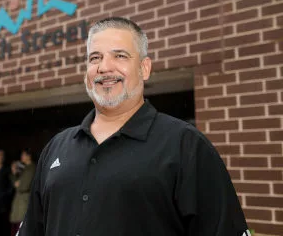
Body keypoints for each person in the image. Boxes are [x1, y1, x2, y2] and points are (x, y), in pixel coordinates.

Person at [17, 17, 250, 236]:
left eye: (119, 56)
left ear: (144, 68)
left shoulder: (186, 146)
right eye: (95, 58)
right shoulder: (56, 148)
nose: (104, 67)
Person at [10, 149, 36, 236]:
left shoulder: (31, 168)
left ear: (29, 156)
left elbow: (23, 186)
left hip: (24, 203)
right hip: (19, 203)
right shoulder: (24, 168)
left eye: (23, 155)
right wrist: (14, 173)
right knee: (16, 228)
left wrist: (18, 184)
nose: (21, 157)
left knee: (21, 229)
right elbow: (16, 183)